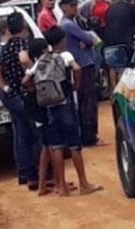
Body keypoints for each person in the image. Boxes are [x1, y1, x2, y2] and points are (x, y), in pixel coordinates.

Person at [23, 35, 103, 196]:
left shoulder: (37, 64)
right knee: (74, 146)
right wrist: (75, 85)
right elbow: (77, 68)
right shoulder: (63, 56)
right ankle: (84, 184)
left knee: (57, 147)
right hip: (65, 105)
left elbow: (25, 81)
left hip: (49, 108)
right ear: (47, 48)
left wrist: (38, 91)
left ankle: (62, 188)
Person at [0, 12, 41, 189]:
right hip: (27, 94)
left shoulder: (4, 49)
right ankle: (41, 174)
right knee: (37, 133)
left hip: (13, 96)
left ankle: (28, 174)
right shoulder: (24, 44)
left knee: (22, 134)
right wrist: (31, 75)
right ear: (24, 27)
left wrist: (5, 87)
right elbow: (25, 59)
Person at [58, 0, 102, 147]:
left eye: (75, 4)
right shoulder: (68, 25)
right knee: (87, 102)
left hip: (84, 63)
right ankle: (89, 137)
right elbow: (91, 39)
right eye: (71, 5)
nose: (75, 7)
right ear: (64, 7)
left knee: (87, 101)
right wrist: (86, 40)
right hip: (83, 65)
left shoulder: (74, 22)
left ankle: (88, 135)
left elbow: (90, 39)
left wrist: (87, 40)